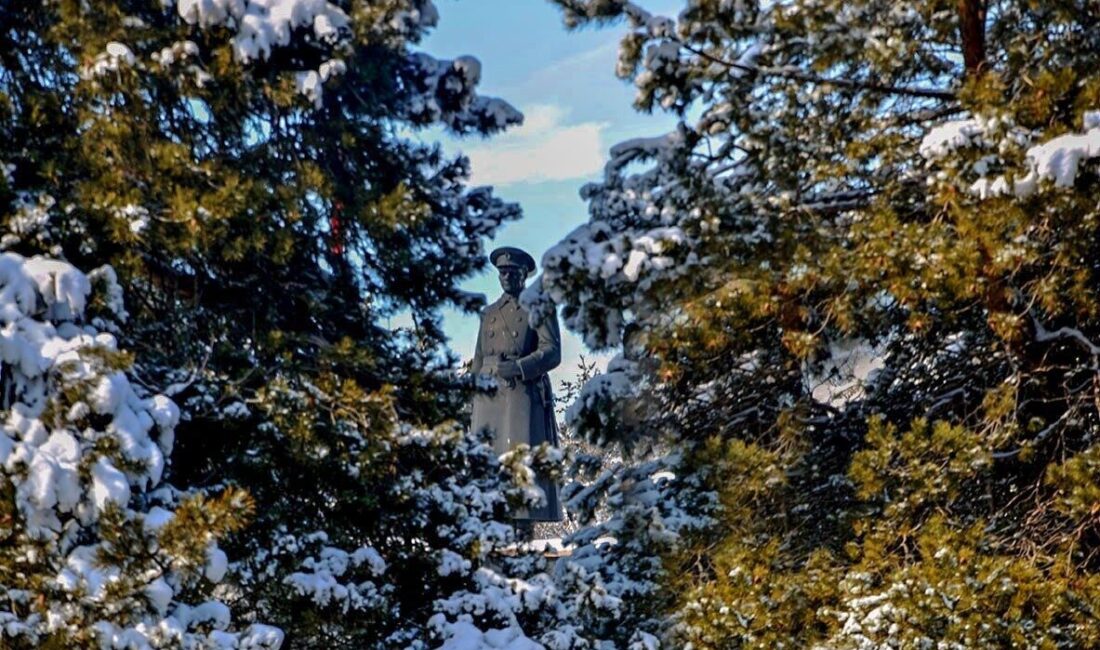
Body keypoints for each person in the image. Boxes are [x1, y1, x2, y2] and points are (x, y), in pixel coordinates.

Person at [470, 246, 562, 539]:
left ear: (524, 275)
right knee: (490, 463)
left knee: (522, 462)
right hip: (489, 397)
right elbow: (478, 358)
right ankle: (493, 530)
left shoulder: (538, 308)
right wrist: (471, 392)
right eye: (502, 272)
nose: (507, 277)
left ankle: (523, 531)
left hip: (521, 394)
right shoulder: (488, 314)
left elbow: (552, 351)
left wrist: (521, 367)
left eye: (512, 272)